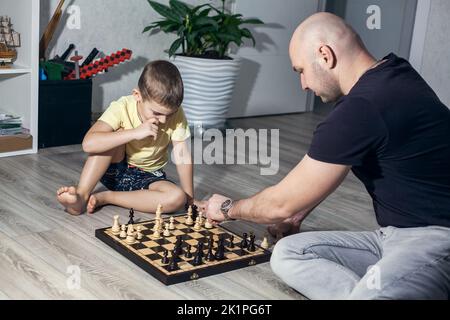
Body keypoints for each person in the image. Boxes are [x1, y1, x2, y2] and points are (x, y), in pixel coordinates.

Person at [203, 12, 450, 299]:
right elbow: (331, 169)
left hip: (436, 240)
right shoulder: (393, 72)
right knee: (289, 253)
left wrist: (227, 208)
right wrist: (300, 212)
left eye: (301, 70)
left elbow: (279, 205)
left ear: (324, 54)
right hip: (391, 236)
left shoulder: (364, 107)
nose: (303, 84)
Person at [57, 60, 194, 215]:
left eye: (169, 114)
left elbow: (182, 155)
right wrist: (134, 132)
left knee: (177, 198)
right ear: (137, 95)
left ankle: (108, 197)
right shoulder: (121, 107)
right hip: (115, 170)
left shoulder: (176, 114)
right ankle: (81, 196)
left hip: (149, 177)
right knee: (111, 136)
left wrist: (190, 200)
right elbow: (88, 144)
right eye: (157, 113)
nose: (163, 120)